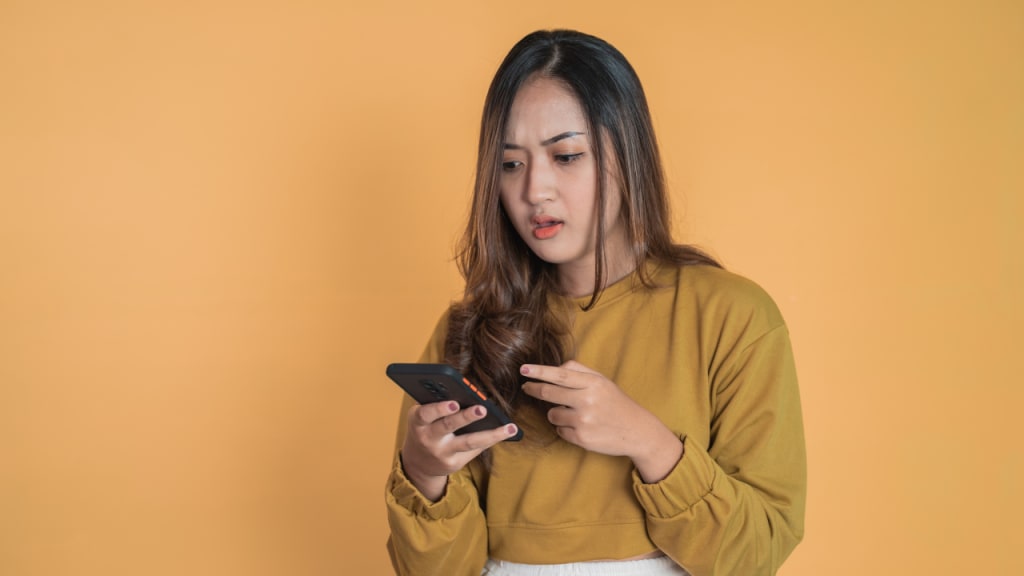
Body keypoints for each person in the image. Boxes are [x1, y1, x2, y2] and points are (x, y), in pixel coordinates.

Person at [384, 29, 806, 576]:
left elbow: (758, 554)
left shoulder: (732, 316)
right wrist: (424, 473)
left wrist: (649, 442)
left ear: (628, 156)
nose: (535, 190)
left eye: (566, 155)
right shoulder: (468, 329)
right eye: (510, 164)